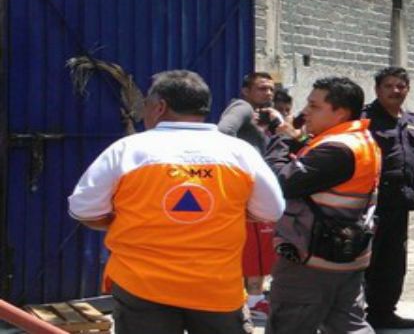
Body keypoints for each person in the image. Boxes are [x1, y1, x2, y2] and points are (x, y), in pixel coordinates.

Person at [68, 69, 285, 334]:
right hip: (215, 289)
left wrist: (126, 218)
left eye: (146, 104)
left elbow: (82, 208)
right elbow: (272, 210)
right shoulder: (239, 153)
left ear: (160, 107)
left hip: (142, 287)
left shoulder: (129, 150)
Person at [265, 76, 381, 334]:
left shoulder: (337, 149)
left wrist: (282, 138)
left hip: (311, 261)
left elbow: (278, 182)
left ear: (340, 112)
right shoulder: (358, 140)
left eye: (314, 106)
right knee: (347, 324)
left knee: (290, 325)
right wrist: (298, 140)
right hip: (345, 256)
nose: (305, 111)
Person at [362, 67, 414, 330]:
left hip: (401, 202)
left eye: (401, 86)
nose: (396, 91)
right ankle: (353, 314)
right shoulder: (365, 119)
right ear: (377, 89)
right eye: (389, 86)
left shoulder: (413, 119)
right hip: (370, 204)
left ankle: (383, 312)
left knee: (393, 262)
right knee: (365, 260)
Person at [218, 71, 284, 315]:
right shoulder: (242, 107)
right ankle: (254, 302)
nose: (268, 93)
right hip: (246, 187)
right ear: (246, 91)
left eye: (270, 89)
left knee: (258, 245)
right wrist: (241, 164)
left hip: (252, 186)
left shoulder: (260, 116)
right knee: (254, 245)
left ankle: (251, 297)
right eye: (261, 88)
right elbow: (224, 131)